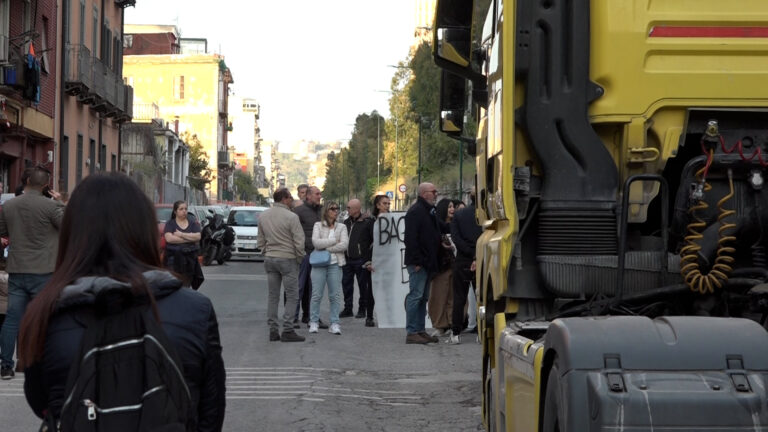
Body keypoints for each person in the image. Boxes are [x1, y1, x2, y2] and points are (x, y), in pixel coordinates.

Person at [16, 173, 226, 430]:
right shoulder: (195, 310)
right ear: (145, 230)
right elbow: (211, 413)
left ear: (72, 233)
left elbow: (41, 402)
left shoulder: (45, 312)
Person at [0, 166, 64, 379]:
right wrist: (60, 202)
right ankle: (42, 362)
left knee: (12, 318)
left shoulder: (9, 205)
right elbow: (67, 226)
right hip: (44, 270)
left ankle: (6, 365)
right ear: (46, 185)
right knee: (44, 318)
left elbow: (3, 232)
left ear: (26, 181)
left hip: (17, 269)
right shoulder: (51, 206)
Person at [257, 188, 307, 342]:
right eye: (290, 197)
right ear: (284, 199)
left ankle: (273, 330)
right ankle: (288, 329)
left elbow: (260, 240)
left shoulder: (263, 216)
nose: (292, 200)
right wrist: (299, 258)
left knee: (273, 296)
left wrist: (266, 251)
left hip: (270, 258)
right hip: (287, 258)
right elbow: (299, 241)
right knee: (292, 295)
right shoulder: (292, 217)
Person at [403, 183, 442, 344]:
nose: (436, 194)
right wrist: (417, 260)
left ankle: (420, 329)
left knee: (423, 297)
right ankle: (412, 331)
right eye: (434, 191)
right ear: (425, 194)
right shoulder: (416, 211)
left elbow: (431, 234)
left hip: (427, 261)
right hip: (419, 262)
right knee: (416, 296)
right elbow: (410, 238)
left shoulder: (428, 211)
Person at [448, 189, 483, 344]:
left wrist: (468, 252)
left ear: (470, 197)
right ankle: (481, 332)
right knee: (481, 297)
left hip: (462, 259)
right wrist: (476, 254)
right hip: (482, 258)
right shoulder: (486, 215)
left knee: (459, 297)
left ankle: (455, 333)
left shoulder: (459, 215)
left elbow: (455, 238)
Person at [309, 201, 348, 335]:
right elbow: (316, 243)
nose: (336, 211)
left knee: (335, 295)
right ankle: (314, 321)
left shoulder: (342, 227)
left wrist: (326, 248)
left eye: (337, 209)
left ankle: (334, 323)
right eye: (332, 209)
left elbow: (344, 245)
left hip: (335, 264)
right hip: (319, 264)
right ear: (326, 211)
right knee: (316, 294)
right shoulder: (318, 225)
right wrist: (334, 241)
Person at [293, 186, 327, 329]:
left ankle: (313, 317)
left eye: (320, 194)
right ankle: (293, 318)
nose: (319, 196)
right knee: (299, 287)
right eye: (317, 194)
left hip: (319, 254)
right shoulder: (298, 212)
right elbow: (293, 232)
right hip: (304, 254)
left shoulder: (323, 211)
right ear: (308, 196)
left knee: (315, 289)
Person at [341, 199, 375, 324]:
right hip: (347, 259)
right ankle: (348, 308)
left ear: (356, 209)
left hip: (361, 259)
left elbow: (372, 241)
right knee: (346, 285)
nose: (347, 209)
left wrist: (368, 258)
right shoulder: (346, 222)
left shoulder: (367, 222)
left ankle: (362, 309)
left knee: (363, 286)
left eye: (349, 207)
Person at [428, 198, 456, 336]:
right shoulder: (437, 225)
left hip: (454, 265)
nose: (452, 209)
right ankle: (440, 325)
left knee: (453, 296)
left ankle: (452, 323)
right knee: (438, 297)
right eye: (449, 207)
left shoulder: (456, 224)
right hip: (441, 266)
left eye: (453, 207)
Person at [163, 200, 204, 290]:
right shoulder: (170, 223)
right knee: (175, 284)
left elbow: (198, 237)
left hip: (189, 259)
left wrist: (181, 234)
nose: (184, 211)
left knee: (186, 286)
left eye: (185, 209)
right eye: (181, 209)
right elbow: (169, 239)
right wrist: (189, 238)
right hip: (173, 259)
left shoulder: (193, 223)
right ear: (175, 211)